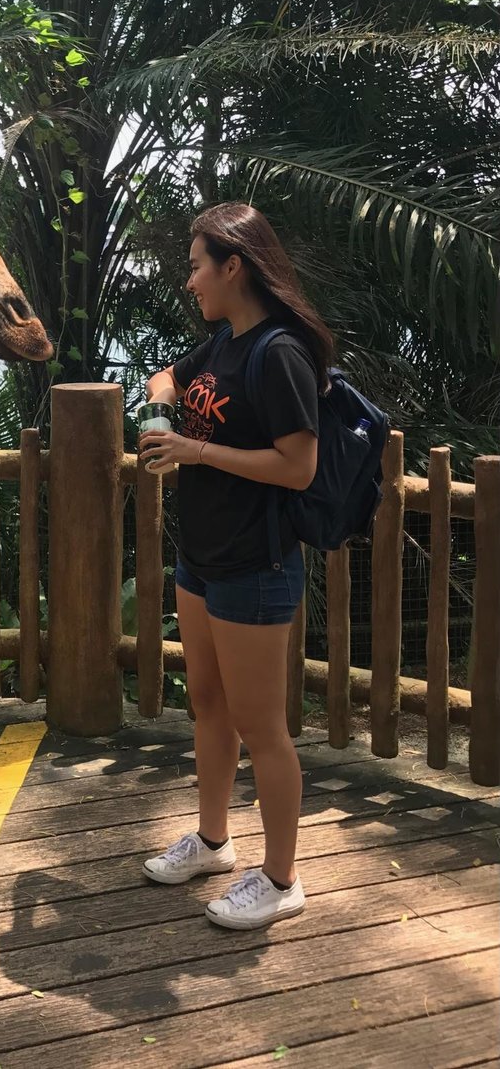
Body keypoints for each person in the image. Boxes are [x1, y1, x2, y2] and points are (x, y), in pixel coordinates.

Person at [138, 201, 333, 930]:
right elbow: (169, 373)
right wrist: (161, 398)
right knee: (209, 704)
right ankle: (214, 839)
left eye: (196, 266)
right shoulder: (223, 343)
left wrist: (195, 451)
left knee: (263, 725)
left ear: (233, 266)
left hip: (256, 564)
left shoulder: (275, 352)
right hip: (203, 559)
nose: (190, 282)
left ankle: (281, 878)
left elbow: (298, 466)